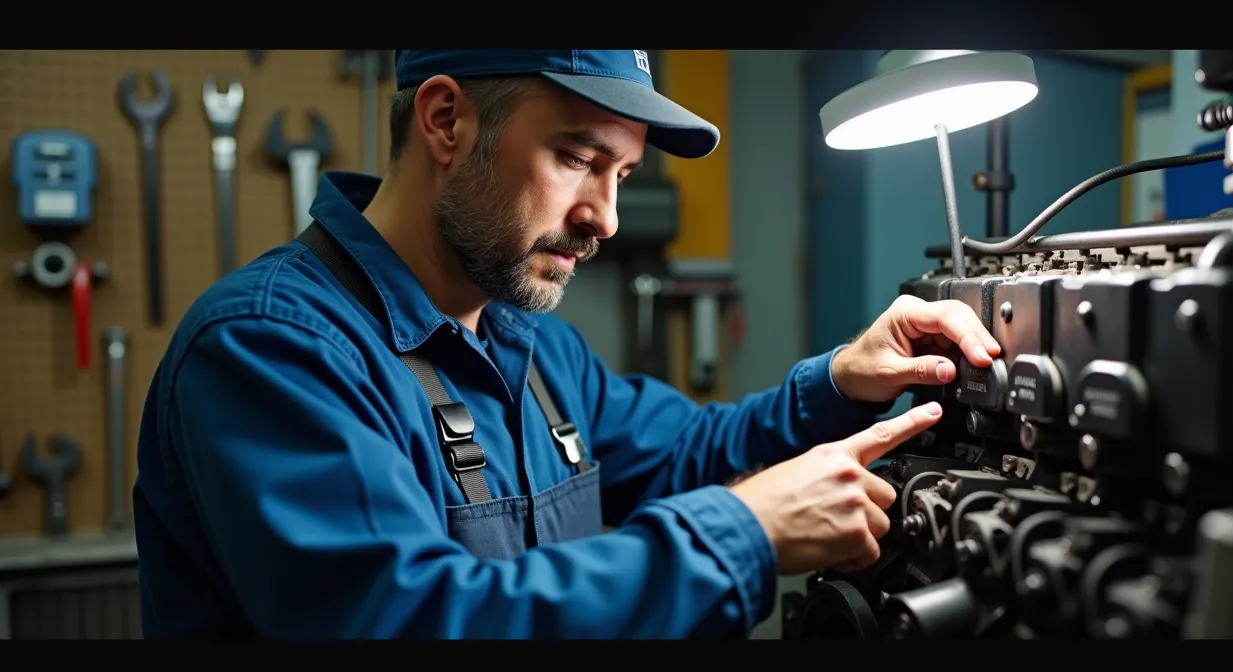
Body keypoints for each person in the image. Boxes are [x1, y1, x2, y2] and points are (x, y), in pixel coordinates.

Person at [132, 49, 1001, 639]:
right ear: (445, 121)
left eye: (621, 175)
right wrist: (743, 531)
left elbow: (687, 452)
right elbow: (415, 620)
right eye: (578, 158)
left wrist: (841, 382)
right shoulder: (271, 348)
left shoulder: (530, 346)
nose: (606, 219)